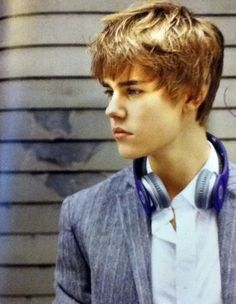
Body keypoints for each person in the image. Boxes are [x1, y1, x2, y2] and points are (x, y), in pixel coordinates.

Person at [53, 1, 236, 303]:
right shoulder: (83, 215)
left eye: (133, 90)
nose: (112, 110)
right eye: (110, 91)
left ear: (193, 94)